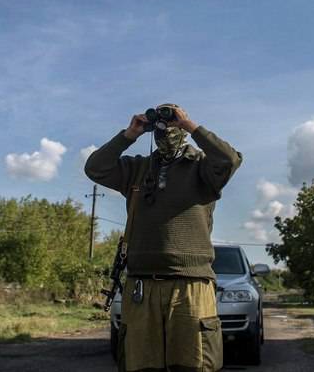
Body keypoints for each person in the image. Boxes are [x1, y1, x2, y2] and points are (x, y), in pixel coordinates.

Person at [85, 104, 242, 372]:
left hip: (190, 285)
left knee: (194, 364)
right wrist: (130, 134)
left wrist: (191, 126)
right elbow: (96, 168)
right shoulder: (138, 168)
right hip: (141, 286)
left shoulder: (203, 168)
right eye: (161, 124)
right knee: (139, 364)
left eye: (173, 122)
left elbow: (230, 159)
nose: (166, 130)